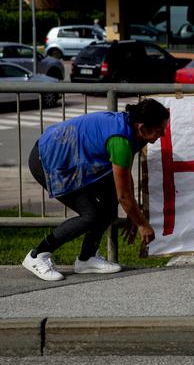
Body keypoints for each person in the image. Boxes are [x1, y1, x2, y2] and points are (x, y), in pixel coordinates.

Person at [22, 99, 169, 281]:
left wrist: (134, 213)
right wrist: (142, 224)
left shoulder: (131, 129)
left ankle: (87, 258)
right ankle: (38, 255)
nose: (162, 134)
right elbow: (124, 195)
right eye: (159, 130)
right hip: (47, 159)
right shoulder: (121, 141)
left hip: (69, 154)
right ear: (142, 127)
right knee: (91, 214)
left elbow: (123, 178)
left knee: (109, 201)